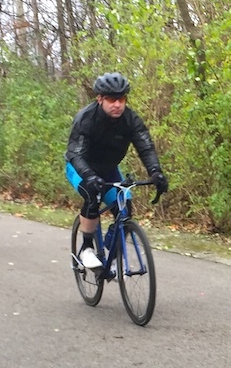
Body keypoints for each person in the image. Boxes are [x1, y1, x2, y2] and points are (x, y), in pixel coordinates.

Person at [65, 72, 168, 269]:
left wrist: (156, 172)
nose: (118, 104)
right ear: (100, 99)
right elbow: (75, 154)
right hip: (80, 167)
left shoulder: (130, 119)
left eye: (122, 99)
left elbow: (145, 147)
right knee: (91, 193)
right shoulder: (86, 119)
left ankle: (109, 256)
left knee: (125, 210)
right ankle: (86, 248)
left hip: (109, 170)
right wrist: (88, 175)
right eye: (112, 99)